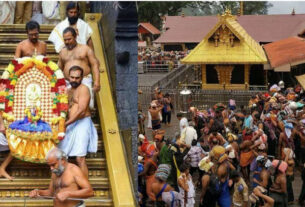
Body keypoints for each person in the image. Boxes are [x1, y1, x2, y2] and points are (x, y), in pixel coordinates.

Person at [58, 66, 98, 178]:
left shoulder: (84, 89)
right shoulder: (67, 90)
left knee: (80, 158)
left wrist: (65, 124)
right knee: (60, 155)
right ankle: (64, 183)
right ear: (68, 77)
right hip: (70, 123)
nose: (74, 80)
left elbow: (81, 111)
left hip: (82, 123)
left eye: (77, 78)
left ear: (82, 78)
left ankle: (86, 186)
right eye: (72, 77)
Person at [29, 147, 94, 207]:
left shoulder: (74, 170)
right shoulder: (55, 172)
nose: (51, 168)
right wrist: (38, 192)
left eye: (53, 165)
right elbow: (51, 193)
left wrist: (69, 194)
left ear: (62, 160)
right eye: (49, 166)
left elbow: (90, 192)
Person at [58, 27, 100, 109]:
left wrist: (97, 81)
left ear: (75, 37)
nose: (67, 42)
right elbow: (58, 69)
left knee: (84, 106)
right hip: (68, 82)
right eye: (65, 40)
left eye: (69, 39)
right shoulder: (62, 52)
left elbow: (95, 64)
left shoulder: (85, 48)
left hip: (84, 80)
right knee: (66, 106)